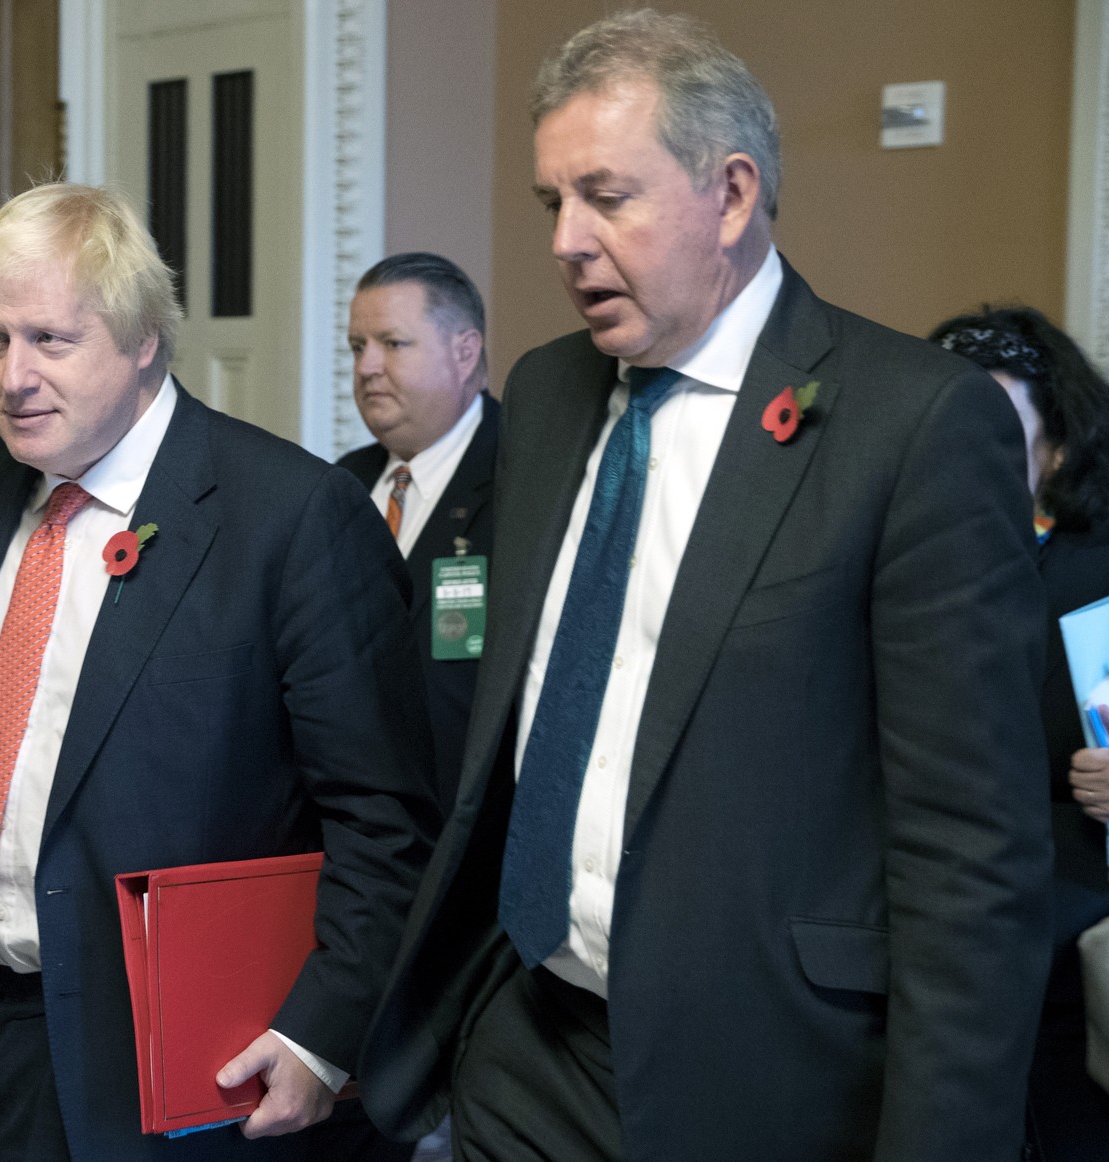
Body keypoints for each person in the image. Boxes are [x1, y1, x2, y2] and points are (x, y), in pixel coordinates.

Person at [360, 10, 1055, 1161]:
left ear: (731, 195)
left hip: (770, 1077)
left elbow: (971, 857)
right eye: (552, 205)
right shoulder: (543, 396)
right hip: (527, 1042)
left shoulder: (912, 424)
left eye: (607, 197)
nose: (567, 243)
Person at [0, 182, 438, 1162]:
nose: (13, 376)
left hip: (180, 1067)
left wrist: (322, 1030)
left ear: (143, 343)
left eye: (50, 339)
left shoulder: (293, 517)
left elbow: (385, 821)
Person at [931, 306, 1109, 1161]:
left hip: (1092, 975)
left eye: (989, 428)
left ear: (1057, 446)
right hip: (931, 976)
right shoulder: (878, 562)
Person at [340, 252, 498, 811]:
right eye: (359, 347)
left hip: (471, 831)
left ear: (464, 351)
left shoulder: (525, 477)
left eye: (392, 344)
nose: (367, 367)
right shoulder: (339, 487)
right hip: (357, 829)